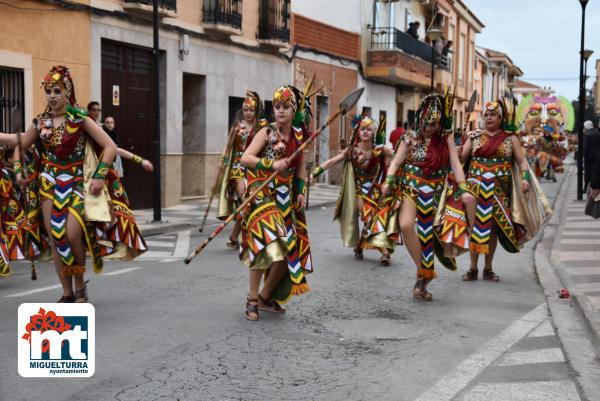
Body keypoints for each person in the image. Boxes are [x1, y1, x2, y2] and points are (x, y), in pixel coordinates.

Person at [10, 65, 146, 302]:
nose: (52, 96)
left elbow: (110, 147)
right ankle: (67, 292)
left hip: (76, 182)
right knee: (55, 237)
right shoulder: (41, 122)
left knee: (72, 234)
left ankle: (80, 284)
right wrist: (20, 167)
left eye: (57, 91)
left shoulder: (80, 119)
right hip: (48, 184)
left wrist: (99, 176)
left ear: (67, 92)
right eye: (49, 91)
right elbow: (18, 142)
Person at [377, 93, 475, 300]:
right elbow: (396, 162)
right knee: (405, 225)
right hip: (411, 189)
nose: (430, 127)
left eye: (435, 123)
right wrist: (389, 180)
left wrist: (464, 189)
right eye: (427, 122)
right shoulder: (409, 137)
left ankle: (422, 280)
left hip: (436, 193)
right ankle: (423, 268)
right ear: (420, 117)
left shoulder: (446, 138)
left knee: (427, 235)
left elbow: (456, 164)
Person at [239, 85, 313, 321]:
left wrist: (301, 191)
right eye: (277, 107)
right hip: (261, 193)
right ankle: (251, 299)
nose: (280, 111)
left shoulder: (299, 136)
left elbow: (300, 167)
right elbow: (246, 158)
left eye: (285, 107)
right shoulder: (266, 131)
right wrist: (271, 165)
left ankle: (265, 296)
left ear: (294, 111)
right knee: (265, 241)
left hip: (285, 198)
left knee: (289, 250)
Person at [460, 100, 552, 283]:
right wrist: (459, 144)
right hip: (475, 186)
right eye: (486, 114)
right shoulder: (475, 136)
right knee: (475, 227)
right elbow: (462, 159)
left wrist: (525, 179)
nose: (489, 117)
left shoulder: (511, 138)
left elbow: (522, 161)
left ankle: (488, 268)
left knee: (493, 229)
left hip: (499, 189)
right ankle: (472, 268)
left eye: (493, 114)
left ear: (501, 118)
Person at [311, 115, 395, 265]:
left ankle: (359, 245)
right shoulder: (351, 151)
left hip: (375, 191)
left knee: (379, 219)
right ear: (357, 132)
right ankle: (385, 252)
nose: (365, 131)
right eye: (362, 129)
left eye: (369, 129)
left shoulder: (380, 150)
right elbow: (331, 161)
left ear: (374, 133)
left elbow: (398, 157)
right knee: (370, 217)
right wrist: (313, 174)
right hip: (357, 191)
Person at [216, 91, 266, 249]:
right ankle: (248, 240)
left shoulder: (261, 126)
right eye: (245, 109)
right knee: (246, 201)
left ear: (256, 110)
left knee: (247, 206)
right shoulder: (237, 126)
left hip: (253, 169)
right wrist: (222, 161)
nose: (248, 112)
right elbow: (228, 145)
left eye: (251, 109)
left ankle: (233, 238)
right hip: (237, 169)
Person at [583, 120, 600, 190]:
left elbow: (585, 146)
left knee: (588, 173)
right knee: (595, 172)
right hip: (597, 157)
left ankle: (587, 187)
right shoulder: (598, 133)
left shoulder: (586, 134)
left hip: (589, 157)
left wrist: (584, 155)